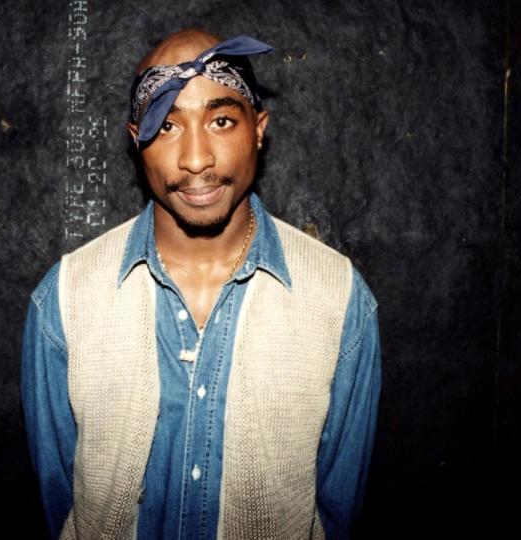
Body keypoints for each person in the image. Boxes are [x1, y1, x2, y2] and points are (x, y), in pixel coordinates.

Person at [22, 28, 381, 540]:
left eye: (220, 121)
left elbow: (339, 511)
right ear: (136, 142)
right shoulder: (66, 300)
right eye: (167, 126)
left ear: (259, 128)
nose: (196, 160)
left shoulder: (339, 299)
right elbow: (61, 509)